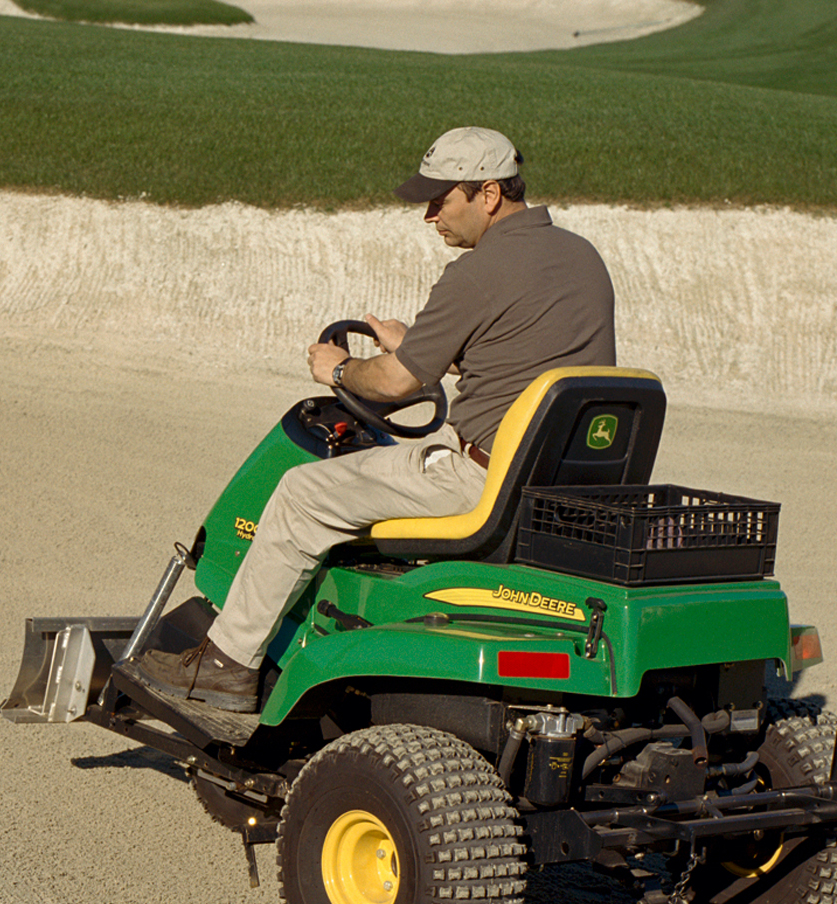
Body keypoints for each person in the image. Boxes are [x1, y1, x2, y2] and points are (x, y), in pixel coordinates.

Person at [134, 126, 616, 711]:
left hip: (482, 483)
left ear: (488, 194)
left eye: (442, 199)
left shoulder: (479, 271)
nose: (430, 215)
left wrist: (340, 371)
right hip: (556, 482)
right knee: (401, 456)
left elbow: (393, 384)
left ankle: (226, 664)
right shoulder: (580, 257)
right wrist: (416, 345)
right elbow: (516, 352)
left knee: (301, 492)